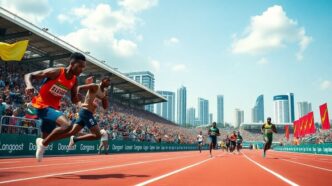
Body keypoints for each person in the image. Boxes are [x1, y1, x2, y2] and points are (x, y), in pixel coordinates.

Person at [24, 52, 86, 161]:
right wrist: (29, 85)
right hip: (41, 105)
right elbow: (29, 75)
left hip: (53, 108)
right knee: (67, 125)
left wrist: (78, 98)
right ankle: (43, 143)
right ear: (72, 63)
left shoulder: (75, 80)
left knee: (47, 137)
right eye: (80, 66)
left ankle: (42, 142)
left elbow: (73, 99)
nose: (82, 69)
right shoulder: (56, 72)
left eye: (83, 67)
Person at [66, 76, 111, 148]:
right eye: (107, 80)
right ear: (102, 80)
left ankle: (51, 138)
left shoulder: (104, 93)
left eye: (109, 81)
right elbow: (79, 87)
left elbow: (105, 107)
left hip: (87, 113)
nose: (109, 82)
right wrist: (77, 94)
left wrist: (105, 97)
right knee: (98, 135)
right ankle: (75, 139)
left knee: (72, 132)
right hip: (86, 112)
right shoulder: (95, 86)